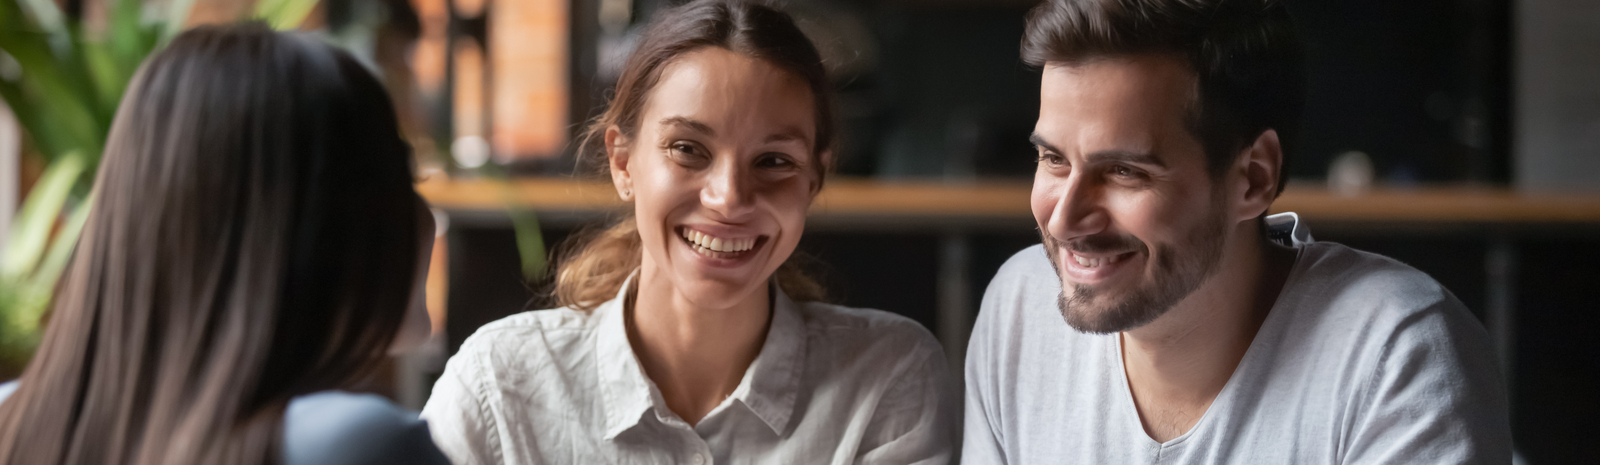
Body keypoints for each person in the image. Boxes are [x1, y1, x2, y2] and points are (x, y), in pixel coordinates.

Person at [962, 0, 1511, 463]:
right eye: (1053, 160)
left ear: (1252, 178)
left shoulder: (1393, 354)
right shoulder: (1022, 309)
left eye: (1124, 172)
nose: (1062, 219)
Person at [420, 1, 957, 463]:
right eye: (687, 149)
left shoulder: (889, 374)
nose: (729, 198)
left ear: (814, 178)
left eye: (773, 161)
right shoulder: (498, 384)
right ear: (623, 163)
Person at [0, 24, 449, 465]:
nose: (426, 217)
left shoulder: (14, 420)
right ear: (318, 233)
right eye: (407, 181)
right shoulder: (356, 446)